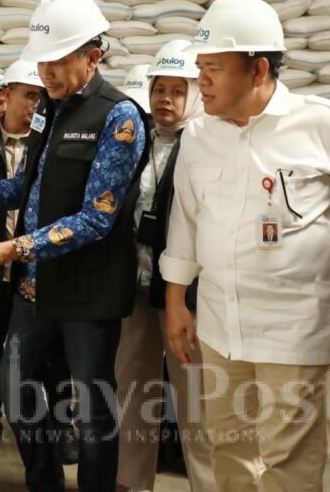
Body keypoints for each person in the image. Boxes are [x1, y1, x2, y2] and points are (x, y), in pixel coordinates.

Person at [160, 0, 330, 492]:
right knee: (230, 448)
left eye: (214, 69)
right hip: (222, 327)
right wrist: (176, 300)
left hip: (298, 328)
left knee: (293, 463)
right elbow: (185, 220)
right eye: (200, 67)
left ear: (258, 68)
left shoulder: (324, 125)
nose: (201, 80)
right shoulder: (199, 136)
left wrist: (327, 266)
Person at [0, 0, 148, 492]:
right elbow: (25, 187)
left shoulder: (119, 117)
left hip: (87, 294)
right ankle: (43, 481)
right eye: (41, 62)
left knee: (91, 410)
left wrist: (11, 248)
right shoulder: (49, 109)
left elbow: (96, 218)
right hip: (35, 287)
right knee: (14, 387)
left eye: (57, 62)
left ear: (94, 55)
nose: (45, 74)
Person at [0, 58, 82, 460]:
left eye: (40, 96)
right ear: (6, 95)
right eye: (29, 95)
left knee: (53, 349)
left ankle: (62, 423)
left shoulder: (46, 140)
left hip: (39, 262)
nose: (35, 103)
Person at [112, 40, 216, 492]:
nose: (166, 100)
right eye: (159, 89)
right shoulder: (135, 142)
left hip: (186, 297)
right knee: (133, 394)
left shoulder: (208, 144)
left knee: (196, 403)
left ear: (194, 94)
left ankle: (208, 485)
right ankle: (132, 483)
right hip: (135, 289)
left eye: (177, 90)